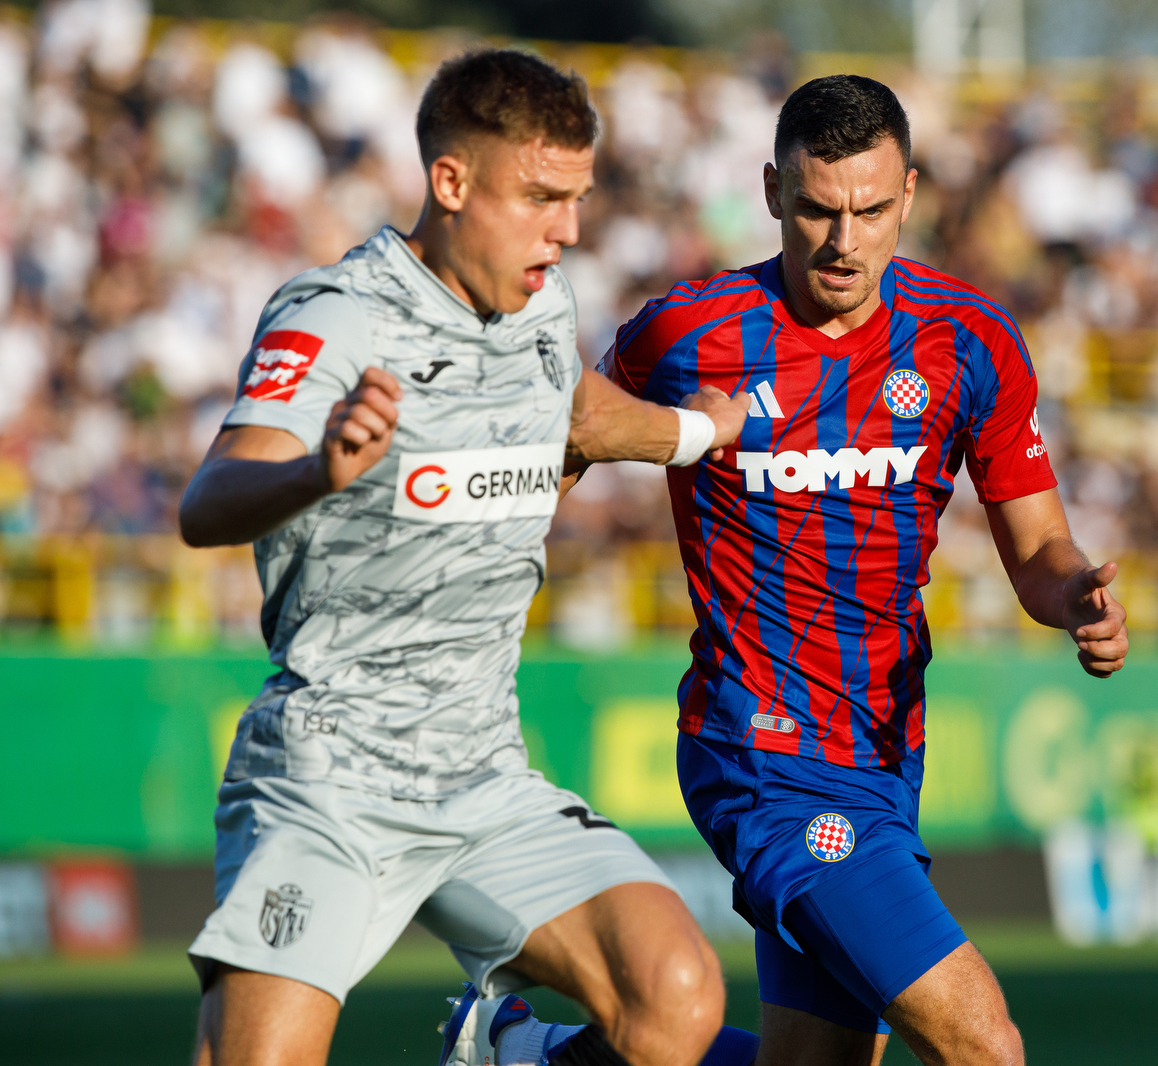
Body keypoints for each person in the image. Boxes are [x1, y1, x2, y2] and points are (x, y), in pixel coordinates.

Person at [179, 49, 758, 1066]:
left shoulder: (540, 304)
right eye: (539, 197)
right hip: (330, 778)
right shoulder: (336, 314)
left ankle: (515, 1050)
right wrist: (320, 469)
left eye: (575, 199)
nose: (567, 229)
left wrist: (696, 432)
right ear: (450, 183)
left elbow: (575, 411)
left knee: (674, 998)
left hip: (483, 778)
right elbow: (208, 501)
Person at [598, 76, 1130, 1066]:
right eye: (815, 208)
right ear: (770, 192)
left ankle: (554, 1051)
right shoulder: (689, 333)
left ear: (910, 195)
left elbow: (1036, 549)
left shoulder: (968, 341)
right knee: (982, 1040)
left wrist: (1074, 600)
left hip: (882, 753)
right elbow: (568, 425)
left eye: (870, 210)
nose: (843, 240)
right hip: (757, 753)